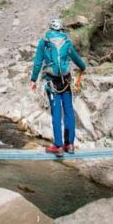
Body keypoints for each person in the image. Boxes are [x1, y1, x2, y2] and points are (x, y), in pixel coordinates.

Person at [31, 18, 87, 157]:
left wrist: (33, 80)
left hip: (52, 82)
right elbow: (76, 59)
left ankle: (58, 146)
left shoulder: (44, 42)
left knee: (56, 113)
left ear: (50, 29)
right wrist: (83, 68)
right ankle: (70, 144)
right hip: (66, 82)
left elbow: (38, 63)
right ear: (61, 29)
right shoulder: (67, 42)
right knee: (69, 111)